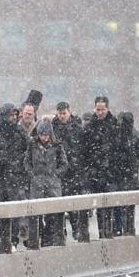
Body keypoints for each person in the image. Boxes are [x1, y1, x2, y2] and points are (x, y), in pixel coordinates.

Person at [0, 103, 29, 251]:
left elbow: (28, 150)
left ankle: (13, 239)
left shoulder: (20, 131)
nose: (13, 118)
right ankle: (1, 235)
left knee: (13, 208)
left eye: (15, 115)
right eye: (11, 115)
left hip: (14, 176)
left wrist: (17, 162)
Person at [80, 96, 119, 239]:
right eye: (98, 109)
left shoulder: (115, 126)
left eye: (102, 109)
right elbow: (82, 152)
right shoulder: (89, 127)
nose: (100, 112)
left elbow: (119, 150)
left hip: (110, 173)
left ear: (107, 109)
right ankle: (95, 233)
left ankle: (107, 232)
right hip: (93, 172)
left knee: (108, 205)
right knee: (93, 205)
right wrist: (88, 169)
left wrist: (113, 166)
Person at [24, 118, 68, 246]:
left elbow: (64, 164)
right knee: (35, 214)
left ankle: (49, 238)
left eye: (46, 135)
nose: (44, 138)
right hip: (37, 184)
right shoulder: (32, 145)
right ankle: (35, 237)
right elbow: (26, 161)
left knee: (52, 214)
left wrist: (55, 174)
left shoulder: (57, 146)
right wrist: (31, 174)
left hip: (52, 184)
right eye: (42, 135)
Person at [52, 101, 88, 241]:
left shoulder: (77, 128)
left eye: (64, 113)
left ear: (69, 112)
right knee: (59, 204)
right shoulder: (53, 128)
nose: (62, 116)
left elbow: (82, 150)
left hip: (74, 171)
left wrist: (75, 162)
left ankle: (75, 229)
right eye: (60, 113)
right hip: (58, 171)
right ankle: (61, 231)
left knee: (72, 203)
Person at [112, 111, 139, 236]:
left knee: (128, 204)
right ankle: (119, 227)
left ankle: (127, 227)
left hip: (129, 175)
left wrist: (134, 164)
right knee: (118, 204)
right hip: (117, 174)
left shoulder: (135, 137)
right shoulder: (115, 136)